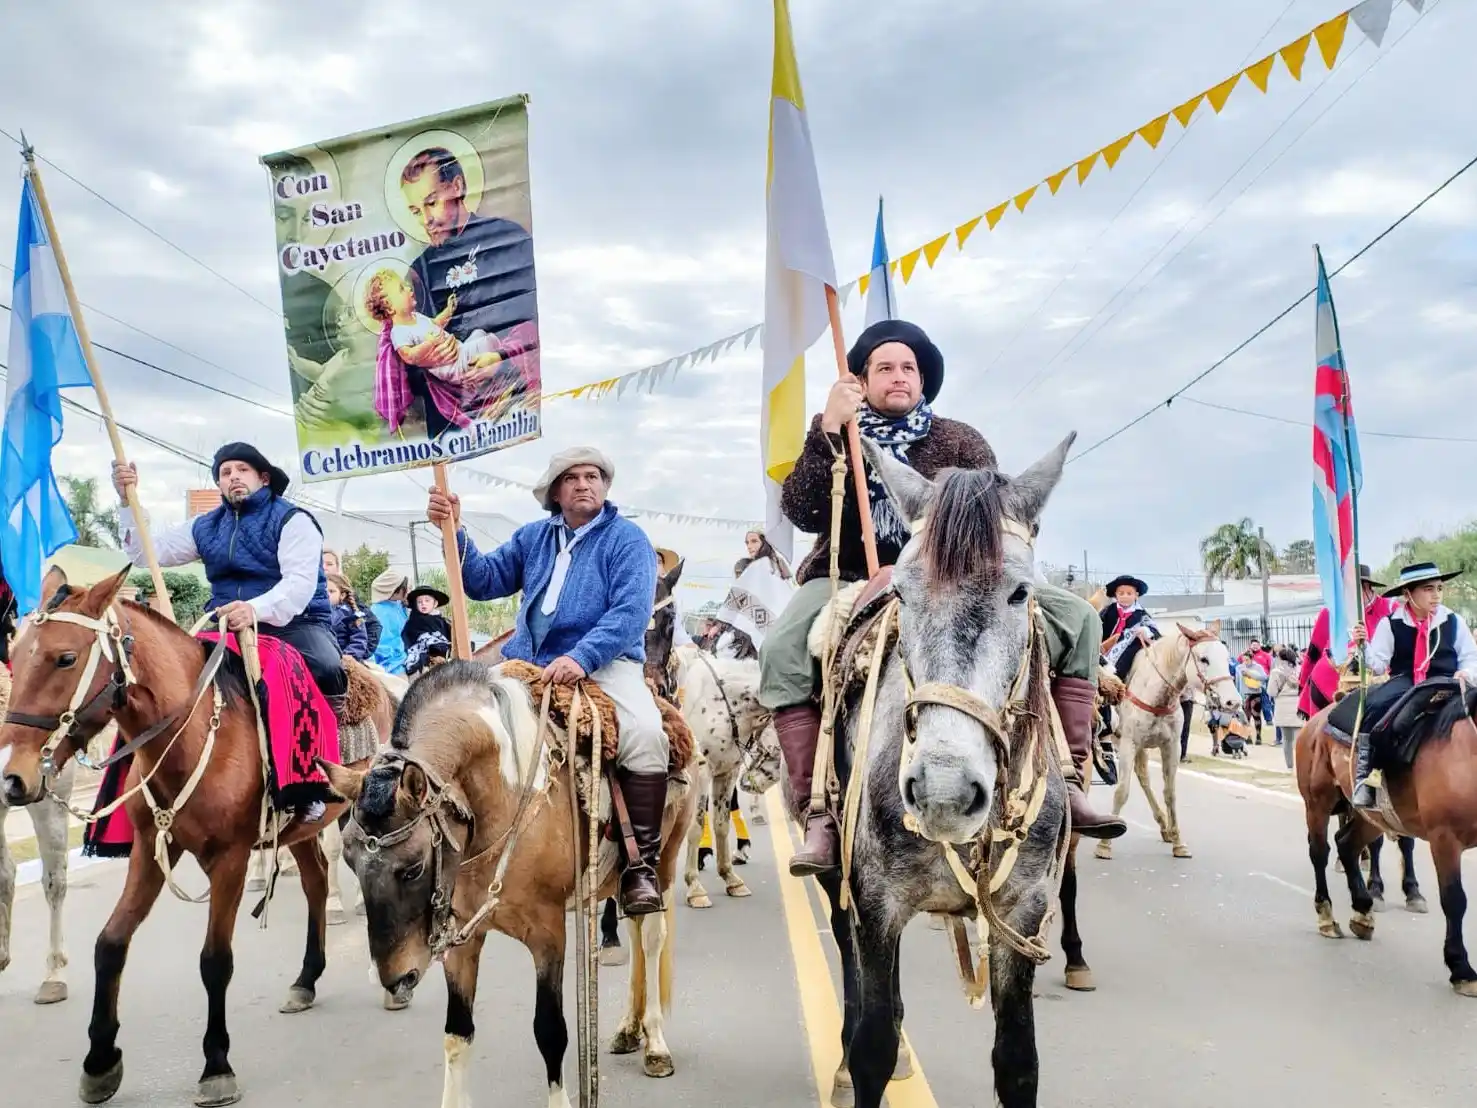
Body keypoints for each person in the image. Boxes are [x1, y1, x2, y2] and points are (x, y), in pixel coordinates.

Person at [758, 319, 1124, 877]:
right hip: (847, 574)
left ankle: (1071, 779)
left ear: (923, 380)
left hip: (956, 580)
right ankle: (819, 811)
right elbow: (802, 510)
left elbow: (1002, 511)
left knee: (1077, 618)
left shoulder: (960, 439)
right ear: (861, 379)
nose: (898, 376)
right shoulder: (836, 430)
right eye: (884, 367)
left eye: (909, 367)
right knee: (783, 647)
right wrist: (828, 432)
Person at [425, 446, 671, 916]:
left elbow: (630, 614)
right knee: (458, 721)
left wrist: (581, 657)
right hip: (528, 664)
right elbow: (480, 580)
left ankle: (641, 866)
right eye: (573, 477)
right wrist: (453, 529)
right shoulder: (533, 537)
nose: (585, 483)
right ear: (555, 492)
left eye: (594, 475)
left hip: (605, 664)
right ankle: (445, 846)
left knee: (646, 735)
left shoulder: (628, 540)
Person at [112, 443, 346, 707]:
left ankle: (328, 745)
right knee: (159, 681)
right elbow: (146, 553)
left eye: (243, 469)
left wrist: (253, 609)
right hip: (225, 626)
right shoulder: (204, 527)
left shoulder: (294, 520)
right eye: (225, 472)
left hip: (296, 624)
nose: (233, 475)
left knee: (326, 669)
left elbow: (298, 585)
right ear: (220, 484)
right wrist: (126, 501)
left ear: (264, 478)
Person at [397, 147, 538, 440]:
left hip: (510, 411)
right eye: (415, 211)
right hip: (451, 427)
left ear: (457, 186)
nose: (426, 219)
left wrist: (501, 358)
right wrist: (422, 357)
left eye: (432, 203)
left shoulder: (507, 239)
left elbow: (533, 318)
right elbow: (406, 363)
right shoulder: (418, 272)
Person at [1349, 562, 1477, 808]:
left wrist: (1467, 672)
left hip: (1448, 680)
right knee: (1374, 708)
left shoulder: (1453, 621)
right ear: (1408, 594)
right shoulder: (1391, 623)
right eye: (1428, 589)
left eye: (1439, 588)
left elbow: (1470, 656)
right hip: (1405, 682)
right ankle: (1367, 776)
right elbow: (1377, 665)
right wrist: (1362, 645)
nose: (1436, 595)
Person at [1299, 565, 1392, 718]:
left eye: (1348, 589)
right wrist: (1303, 683)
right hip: (1330, 678)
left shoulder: (1389, 609)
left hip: (1378, 676)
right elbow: (1314, 649)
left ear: (1366, 587)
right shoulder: (1330, 612)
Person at [1100, 575, 1158, 681]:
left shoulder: (1141, 615)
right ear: (1115, 595)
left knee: (1123, 668)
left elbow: (1155, 632)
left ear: (1136, 595)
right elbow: (1097, 625)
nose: (1125, 596)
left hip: (1128, 652)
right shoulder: (1108, 611)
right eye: (1121, 593)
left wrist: (1145, 630)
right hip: (1103, 648)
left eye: (1129, 593)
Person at [402, 585, 453, 676]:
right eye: (419, 602)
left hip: (446, 657)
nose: (423, 604)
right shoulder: (414, 622)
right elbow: (412, 640)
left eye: (427, 600)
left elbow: (451, 637)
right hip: (425, 663)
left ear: (435, 603)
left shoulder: (442, 621)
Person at [369, 570, 411, 675]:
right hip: (392, 667)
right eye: (406, 587)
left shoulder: (397, 604)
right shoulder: (379, 612)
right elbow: (382, 647)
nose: (409, 589)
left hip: (404, 659)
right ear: (397, 590)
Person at [1267, 646, 1301, 767]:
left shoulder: (1276, 672)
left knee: (1286, 739)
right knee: (1299, 739)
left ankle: (1290, 765)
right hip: (1298, 704)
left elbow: (1271, 692)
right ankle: (1300, 765)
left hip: (1282, 705)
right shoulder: (1300, 670)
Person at [327, 573, 371, 661]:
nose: (327, 594)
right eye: (325, 591)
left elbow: (359, 640)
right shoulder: (317, 613)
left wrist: (345, 658)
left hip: (343, 661)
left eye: (331, 591)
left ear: (342, 595)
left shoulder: (351, 615)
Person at [1237, 650, 1268, 744]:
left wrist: (1250, 673)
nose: (1245, 662)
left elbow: (1264, 677)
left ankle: (1258, 736)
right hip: (1244, 694)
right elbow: (1238, 681)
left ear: (1251, 659)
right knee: (1246, 717)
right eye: (1243, 659)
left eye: (1247, 660)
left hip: (1255, 693)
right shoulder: (1239, 667)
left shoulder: (1258, 667)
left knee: (1256, 715)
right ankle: (1247, 736)